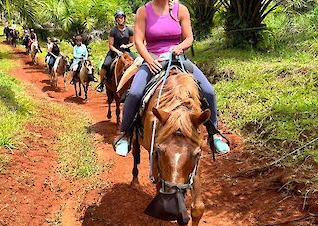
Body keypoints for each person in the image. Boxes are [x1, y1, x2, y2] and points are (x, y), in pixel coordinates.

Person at [113, 0, 230, 156]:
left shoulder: (180, 10)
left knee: (208, 91)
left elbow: (189, 38)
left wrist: (180, 47)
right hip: (152, 60)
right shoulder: (143, 11)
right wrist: (149, 60)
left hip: (178, 59)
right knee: (134, 93)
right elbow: (139, 42)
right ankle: (126, 134)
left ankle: (214, 134)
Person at [96, 10, 136, 92]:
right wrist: (117, 51)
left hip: (126, 52)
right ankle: (101, 83)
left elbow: (132, 42)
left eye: (121, 18)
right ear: (116, 20)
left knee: (137, 63)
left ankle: (136, 83)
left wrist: (126, 46)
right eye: (118, 18)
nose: (120, 19)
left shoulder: (129, 30)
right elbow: (110, 45)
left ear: (124, 18)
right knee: (105, 64)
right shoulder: (113, 31)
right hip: (114, 52)